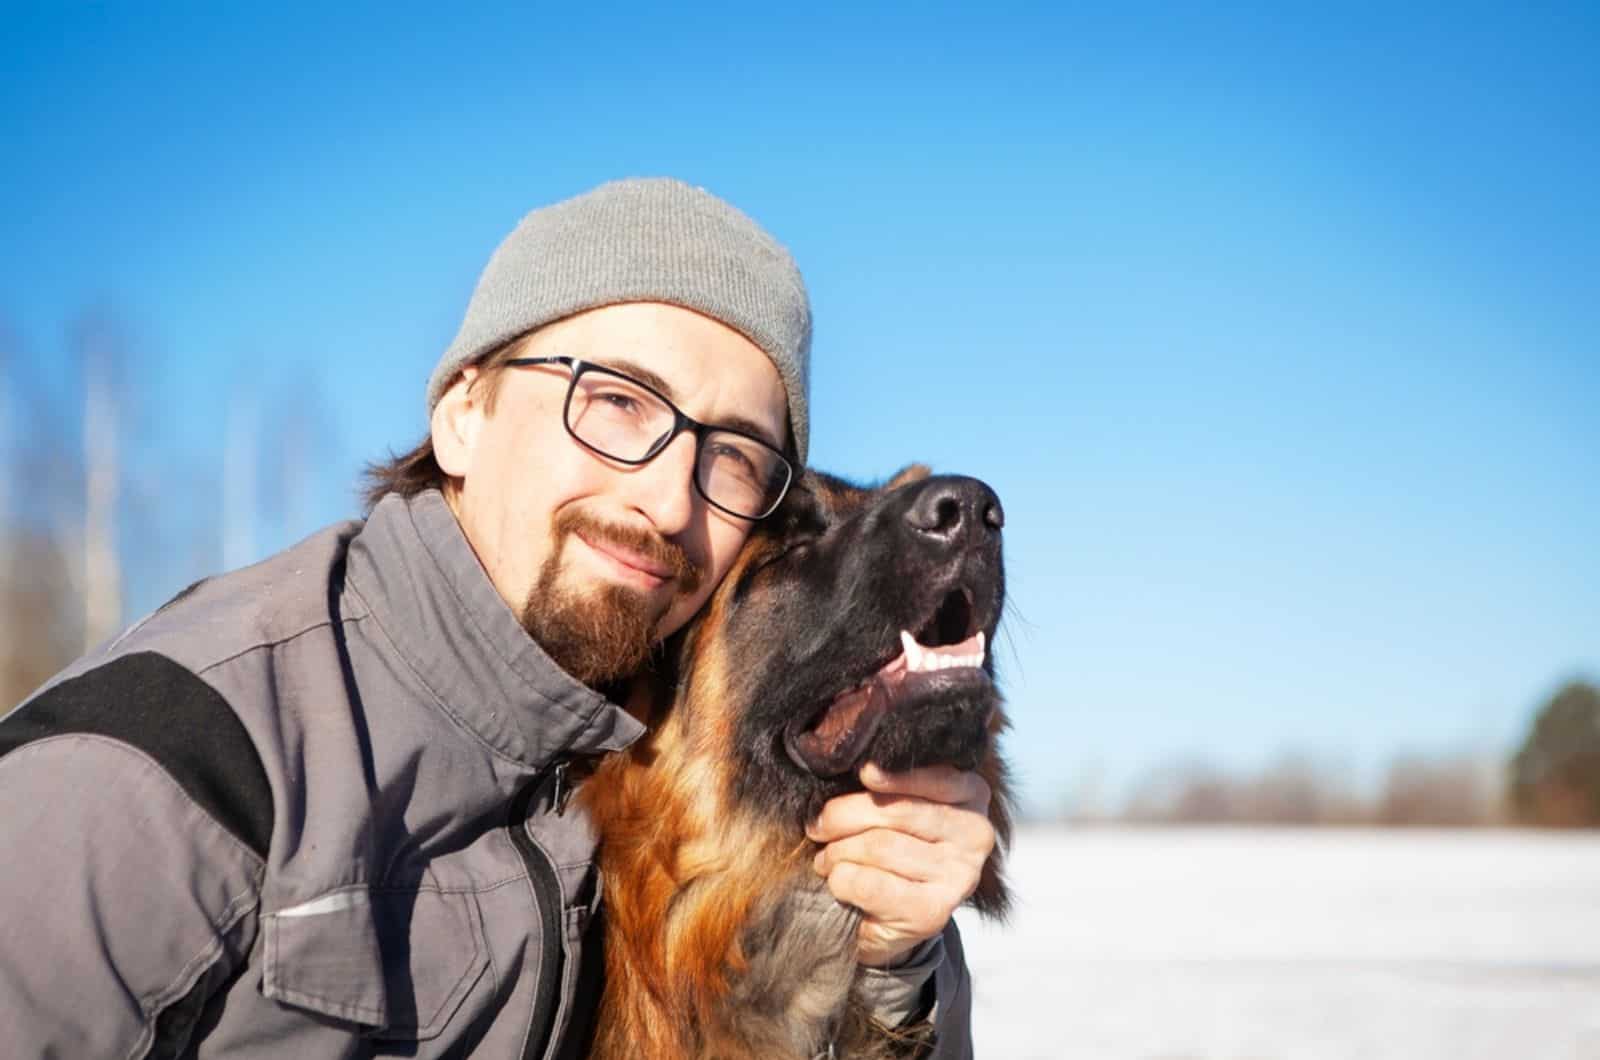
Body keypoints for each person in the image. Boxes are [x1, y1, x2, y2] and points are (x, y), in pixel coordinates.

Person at [0, 178, 996, 1057]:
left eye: (730, 453)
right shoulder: (170, 763)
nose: (665, 498)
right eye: (615, 402)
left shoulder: (644, 749)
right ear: (462, 411)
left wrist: (894, 957)